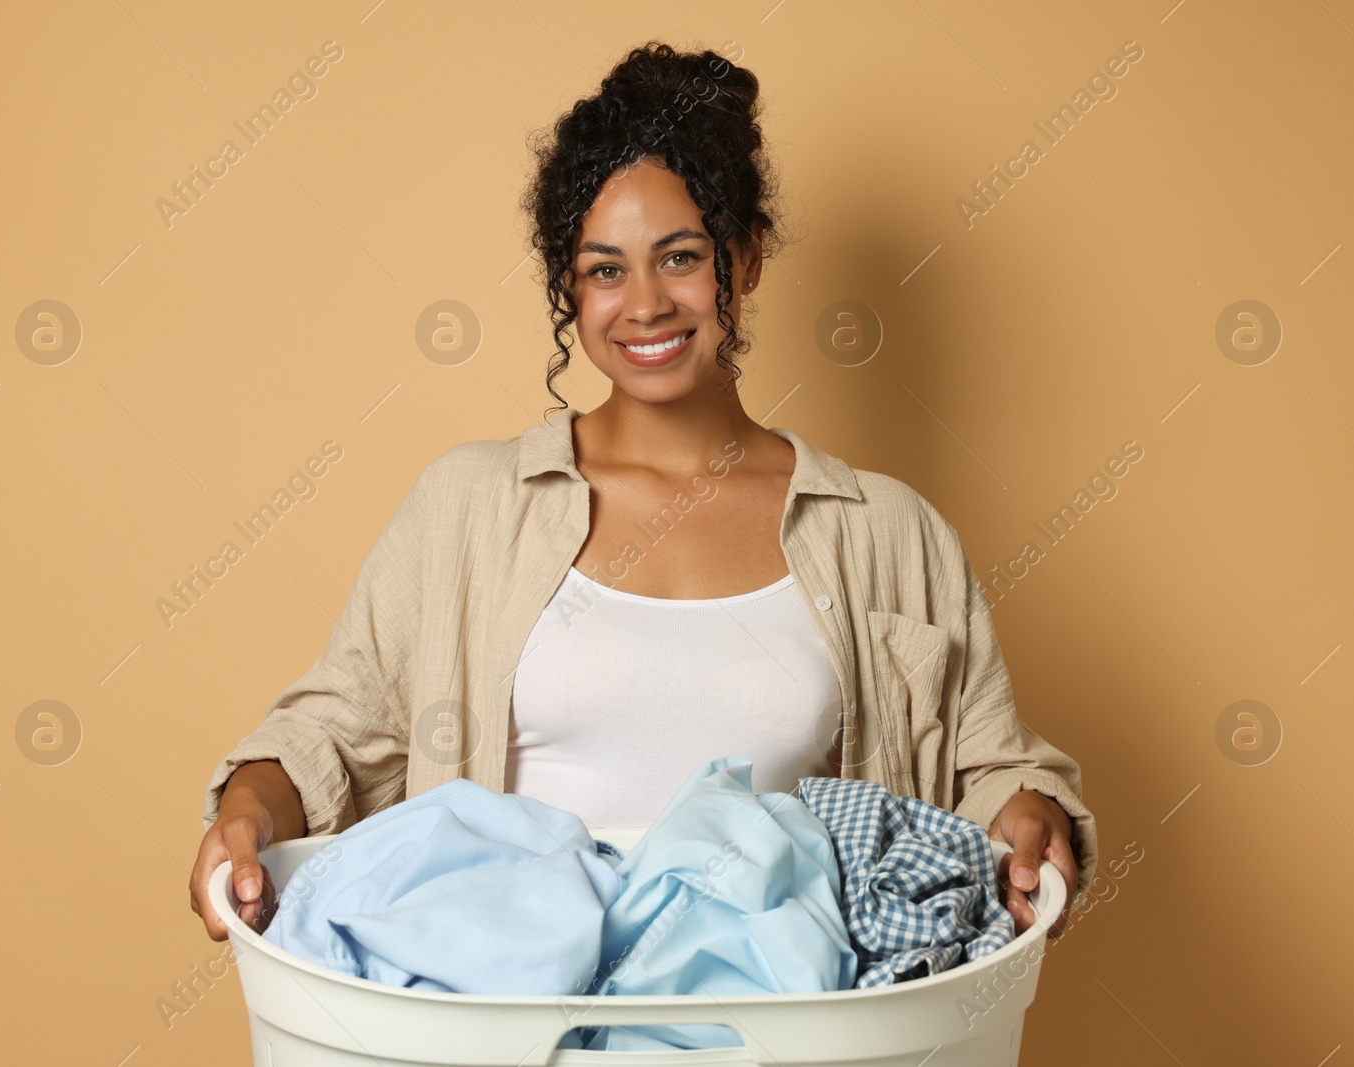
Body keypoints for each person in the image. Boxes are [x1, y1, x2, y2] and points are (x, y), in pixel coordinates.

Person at [189, 41, 1096, 945]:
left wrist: (1027, 820)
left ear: (745, 259)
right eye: (605, 268)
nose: (647, 304)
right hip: (510, 1019)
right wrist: (245, 817)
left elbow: (993, 772)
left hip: (785, 1028)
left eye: (680, 257)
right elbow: (335, 734)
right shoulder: (466, 507)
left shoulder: (890, 535)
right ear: (569, 288)